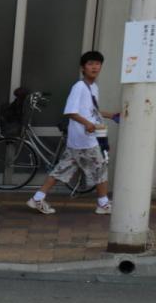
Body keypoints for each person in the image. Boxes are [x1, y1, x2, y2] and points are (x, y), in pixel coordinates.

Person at [26, 50, 118, 216]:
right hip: (84, 140)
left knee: (62, 169)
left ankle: (37, 198)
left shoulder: (93, 87)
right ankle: (103, 204)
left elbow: (92, 111)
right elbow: (70, 112)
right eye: (90, 64)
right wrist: (88, 124)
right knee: (101, 168)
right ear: (83, 67)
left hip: (81, 140)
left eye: (97, 64)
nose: (95, 67)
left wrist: (112, 115)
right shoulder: (79, 87)